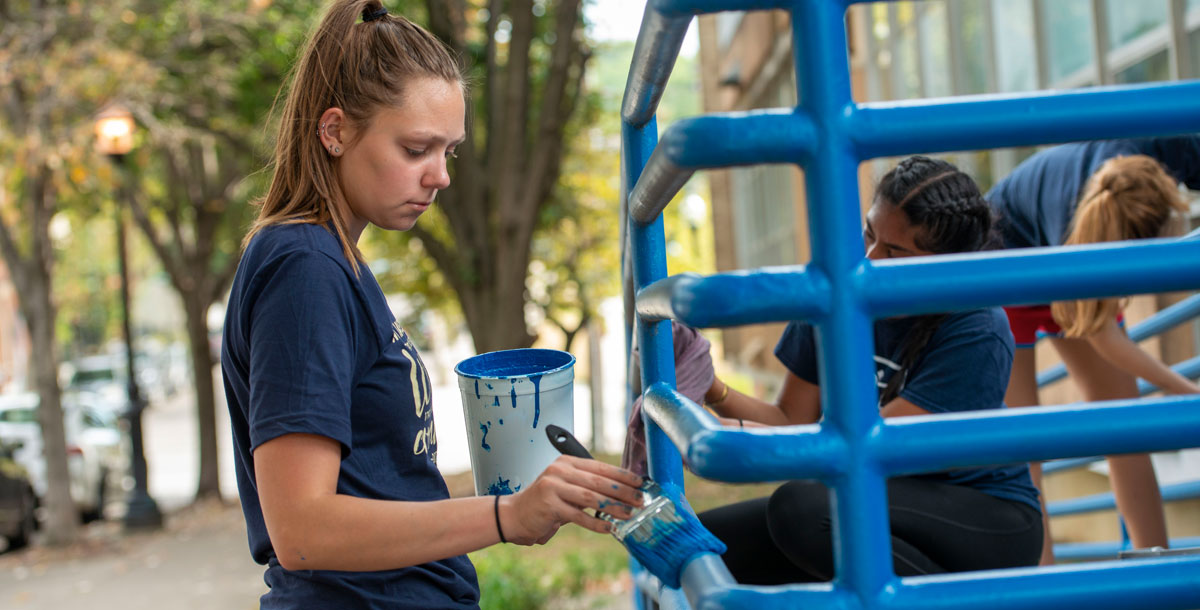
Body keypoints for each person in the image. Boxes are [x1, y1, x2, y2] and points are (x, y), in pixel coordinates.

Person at [220, 2, 644, 607]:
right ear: (334, 131)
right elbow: (303, 532)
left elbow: (376, 486)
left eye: (449, 151)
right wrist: (505, 516)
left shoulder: (335, 260)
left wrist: (523, 494)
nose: (440, 176)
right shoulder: (305, 266)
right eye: (417, 148)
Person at [691, 156, 1043, 583]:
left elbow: (863, 452)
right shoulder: (832, 295)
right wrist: (709, 387)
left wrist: (726, 443)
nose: (870, 259)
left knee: (803, 511)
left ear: (943, 264)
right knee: (698, 546)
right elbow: (789, 422)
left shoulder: (977, 326)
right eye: (869, 234)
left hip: (984, 517)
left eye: (895, 252)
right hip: (872, 502)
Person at [986, 137, 1200, 564]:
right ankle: (1042, 585)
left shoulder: (1162, 148)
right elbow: (1105, 339)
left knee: (1124, 425)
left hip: (1062, 251)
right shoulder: (1085, 229)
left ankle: (1153, 571)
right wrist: (1189, 393)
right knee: (1024, 448)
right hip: (1004, 266)